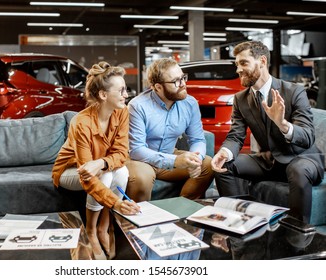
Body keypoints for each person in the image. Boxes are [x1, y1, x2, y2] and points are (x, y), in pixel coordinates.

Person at [211, 41, 324, 223]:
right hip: (270, 161)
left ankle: (298, 236)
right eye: (237, 64)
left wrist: (283, 124)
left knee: (297, 170)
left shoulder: (294, 91)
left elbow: (308, 136)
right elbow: (235, 136)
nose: (238, 69)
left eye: (244, 63)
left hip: (303, 158)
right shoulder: (241, 99)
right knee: (225, 166)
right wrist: (224, 152)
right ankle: (238, 222)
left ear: (262, 61)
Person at [52, 61, 140, 260]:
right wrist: (116, 203)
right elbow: (87, 177)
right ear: (103, 95)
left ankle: (104, 226)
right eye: (121, 91)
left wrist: (100, 163)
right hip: (69, 171)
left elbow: (121, 154)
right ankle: (91, 230)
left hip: (97, 166)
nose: (126, 95)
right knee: (103, 177)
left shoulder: (122, 112)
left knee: (121, 171)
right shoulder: (81, 123)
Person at [126, 58, 214, 202]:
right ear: (158, 87)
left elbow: (197, 139)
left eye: (183, 78)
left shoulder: (190, 103)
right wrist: (174, 161)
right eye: (176, 81)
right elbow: (137, 150)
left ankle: (180, 209)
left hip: (169, 154)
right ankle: (140, 221)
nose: (183, 84)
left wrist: (196, 160)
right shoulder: (137, 106)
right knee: (142, 177)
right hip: (141, 160)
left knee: (207, 164)